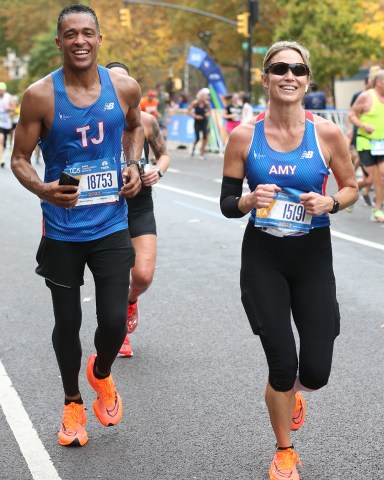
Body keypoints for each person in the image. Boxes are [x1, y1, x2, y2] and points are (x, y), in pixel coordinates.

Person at [220, 40, 358, 480]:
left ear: (307, 79)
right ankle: (284, 450)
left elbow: (352, 187)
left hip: (313, 255)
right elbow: (225, 202)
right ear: (265, 78)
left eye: (298, 70)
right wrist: (247, 200)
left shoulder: (327, 134)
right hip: (264, 256)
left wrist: (332, 203)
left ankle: (295, 392)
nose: (289, 76)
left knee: (314, 372)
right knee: (283, 362)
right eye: (279, 68)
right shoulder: (245, 136)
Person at [10, 4, 145, 447]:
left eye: (88, 32)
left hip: (110, 224)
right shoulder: (40, 96)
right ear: (59, 42)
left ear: (100, 39)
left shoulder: (124, 87)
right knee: (67, 323)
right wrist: (44, 190)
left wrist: (131, 164)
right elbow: (19, 159)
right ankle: (72, 402)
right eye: (71, 34)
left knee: (112, 322)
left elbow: (134, 128)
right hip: (62, 231)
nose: (80, 41)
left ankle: (101, 373)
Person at [106, 62, 170, 357]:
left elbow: (164, 154)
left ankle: (132, 300)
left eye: (125, 80)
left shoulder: (146, 121)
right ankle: (120, 336)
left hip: (140, 203)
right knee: (116, 275)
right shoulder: (96, 122)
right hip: (106, 207)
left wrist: (157, 169)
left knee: (142, 275)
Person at [349, 69, 384, 222]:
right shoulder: (366, 97)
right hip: (366, 143)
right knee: (370, 180)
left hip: (381, 143)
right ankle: (349, 193)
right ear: (379, 82)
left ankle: (376, 209)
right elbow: (351, 114)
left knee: (382, 176)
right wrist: (363, 126)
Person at [187, 88, 211, 159]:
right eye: (201, 96)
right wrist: (195, 116)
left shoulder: (206, 104)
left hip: (204, 121)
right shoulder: (195, 103)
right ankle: (193, 148)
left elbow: (209, 111)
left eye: (204, 96)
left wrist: (207, 114)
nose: (203, 98)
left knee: (205, 137)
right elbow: (188, 111)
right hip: (197, 122)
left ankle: (202, 152)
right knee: (197, 138)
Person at [0, 82, 14, 167]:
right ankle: (1, 158)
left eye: (2, 90)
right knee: (0, 140)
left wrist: (9, 109)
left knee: (4, 141)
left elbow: (13, 109)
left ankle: (6, 149)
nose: (1, 92)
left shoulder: (8, 97)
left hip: (7, 124)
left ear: (4, 90)